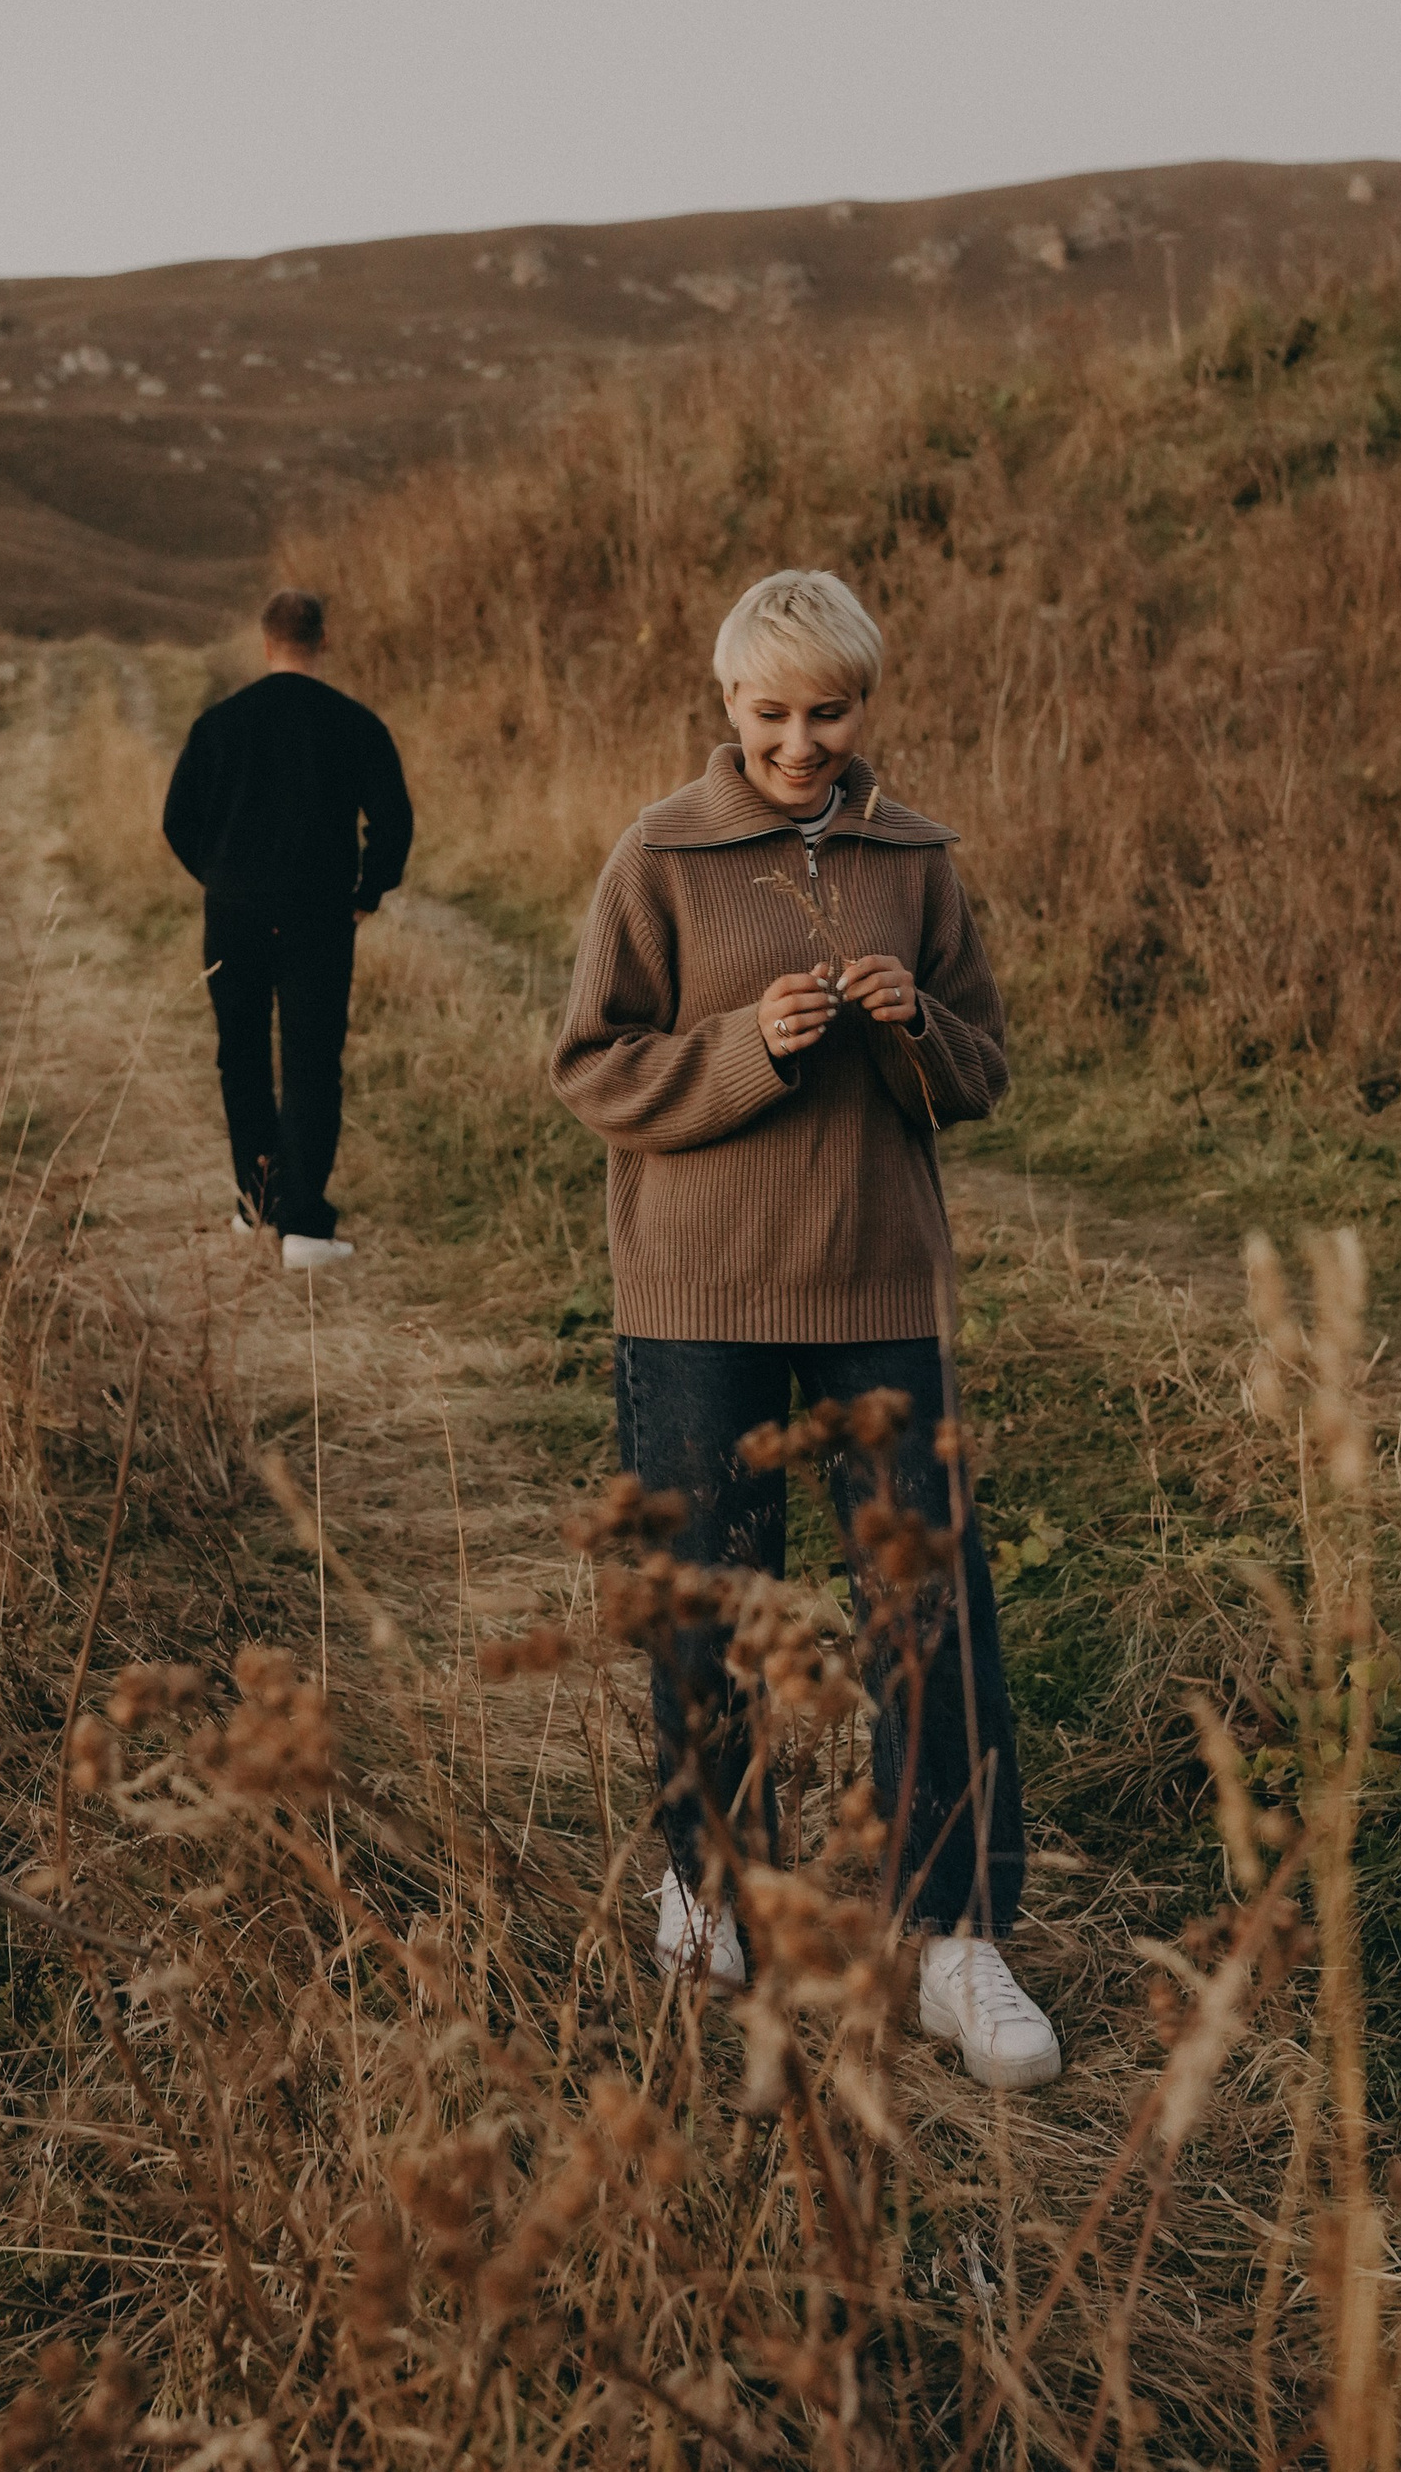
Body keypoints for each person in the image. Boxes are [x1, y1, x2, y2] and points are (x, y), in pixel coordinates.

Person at [549, 567, 1059, 2090]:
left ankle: (953, 1938)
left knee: (932, 1607)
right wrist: (738, 1049)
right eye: (770, 712)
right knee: (710, 1591)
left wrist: (914, 1026)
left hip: (879, 1288)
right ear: (728, 703)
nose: (798, 741)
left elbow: (980, 1074)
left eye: (826, 711)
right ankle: (710, 1885)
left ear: (864, 705)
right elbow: (590, 1062)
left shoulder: (918, 857)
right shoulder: (660, 851)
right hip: (697, 1296)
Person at [162, 587, 414, 1273]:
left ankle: (258, 1205)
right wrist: (367, 891)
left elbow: (177, 820)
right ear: (323, 641)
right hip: (320, 916)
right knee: (311, 1061)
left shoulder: (219, 724)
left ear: (264, 641)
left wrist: (221, 877)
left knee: (238, 1055)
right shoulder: (355, 723)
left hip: (234, 914)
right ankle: (303, 1228)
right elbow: (393, 821)